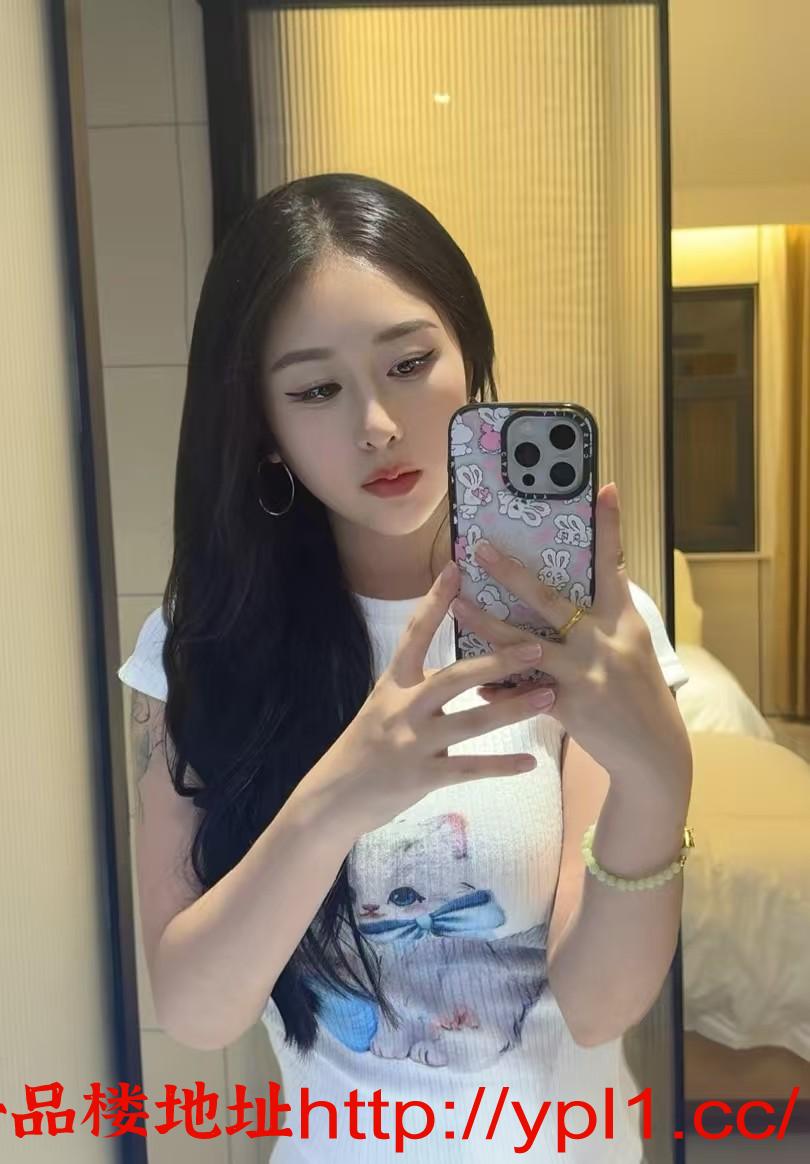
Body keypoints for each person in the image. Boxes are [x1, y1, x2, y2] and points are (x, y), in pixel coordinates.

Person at [118, 172, 693, 1162]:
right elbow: (198, 1011)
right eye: (315, 389)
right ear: (261, 425)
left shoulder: (594, 634)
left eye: (410, 363)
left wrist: (660, 777)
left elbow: (599, 1007)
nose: (377, 425)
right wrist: (338, 797)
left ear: (469, 355)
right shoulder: (203, 648)